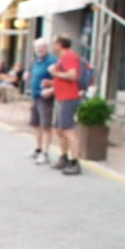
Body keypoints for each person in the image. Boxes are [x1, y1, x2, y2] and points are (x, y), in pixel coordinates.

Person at [48, 35, 82, 176]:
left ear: (60, 44)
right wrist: (51, 84)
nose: (52, 45)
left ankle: (74, 162)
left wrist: (54, 72)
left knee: (68, 130)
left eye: (54, 43)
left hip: (68, 98)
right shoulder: (63, 58)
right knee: (60, 129)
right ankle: (64, 157)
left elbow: (72, 75)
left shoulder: (69, 56)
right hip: (62, 97)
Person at [27, 38, 56, 165]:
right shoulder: (36, 61)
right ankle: (38, 149)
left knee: (46, 125)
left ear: (47, 47)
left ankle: (45, 153)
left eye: (41, 47)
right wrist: (29, 76)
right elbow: (35, 75)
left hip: (45, 97)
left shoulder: (52, 61)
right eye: (37, 48)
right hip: (35, 95)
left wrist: (51, 90)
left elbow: (59, 80)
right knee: (35, 124)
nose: (39, 50)